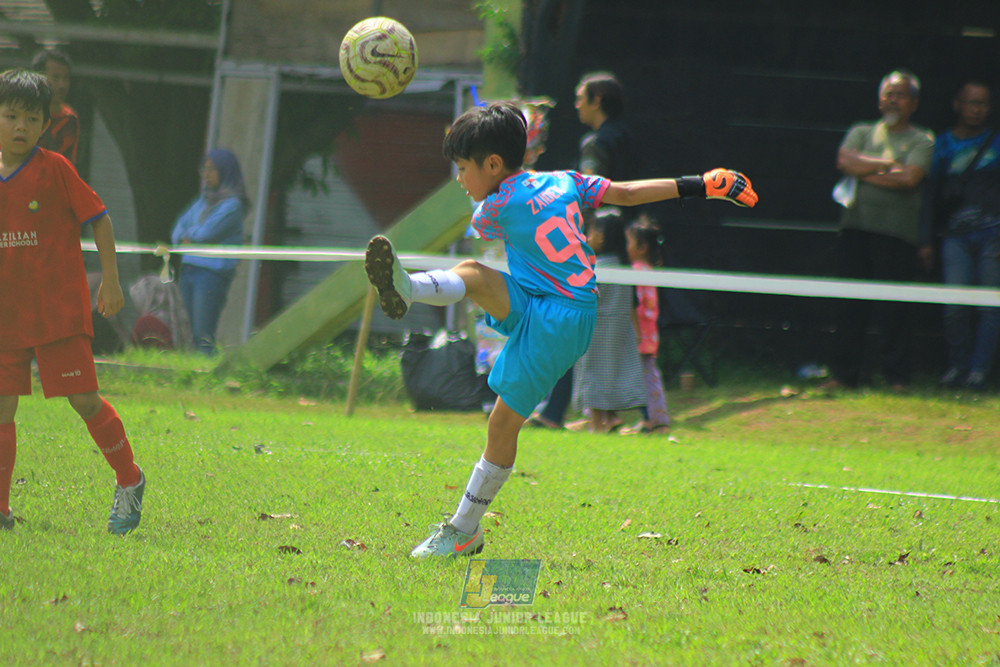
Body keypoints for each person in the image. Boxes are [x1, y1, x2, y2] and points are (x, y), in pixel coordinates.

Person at [364, 101, 757, 558]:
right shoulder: (564, 180)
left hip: (558, 317)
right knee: (472, 272)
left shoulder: (490, 210)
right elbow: (627, 194)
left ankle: (464, 530)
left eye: (463, 168)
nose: (460, 180)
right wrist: (702, 185)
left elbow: (498, 219)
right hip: (550, 303)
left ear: (492, 164)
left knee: (502, 422)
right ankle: (406, 287)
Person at [0, 69, 145, 534]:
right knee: (2, 408)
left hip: (56, 311)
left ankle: (131, 479)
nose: (20, 127)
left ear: (45, 126)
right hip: (6, 315)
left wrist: (112, 282)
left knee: (83, 400)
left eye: (31, 119)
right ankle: (0, 511)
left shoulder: (56, 169)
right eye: (10, 116)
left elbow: (99, 218)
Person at [530, 71, 638, 430]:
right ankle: (593, 413)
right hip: (627, 246)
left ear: (597, 102)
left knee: (572, 326)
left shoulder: (595, 143)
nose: (576, 105)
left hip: (597, 250)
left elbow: (593, 196)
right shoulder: (628, 138)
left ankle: (560, 413)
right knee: (612, 333)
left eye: (581, 98)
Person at [826, 70, 935, 390]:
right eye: (888, 93)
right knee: (849, 306)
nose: (892, 99)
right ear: (878, 99)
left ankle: (897, 378)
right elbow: (845, 162)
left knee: (895, 310)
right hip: (855, 231)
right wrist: (887, 165)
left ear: (913, 103)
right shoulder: (860, 131)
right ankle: (844, 376)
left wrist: (866, 170)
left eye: (900, 94)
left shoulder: (922, 139)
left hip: (898, 237)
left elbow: (910, 179)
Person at [920, 80, 1000, 390]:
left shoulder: (996, 143)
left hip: (993, 234)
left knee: (989, 305)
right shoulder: (942, 145)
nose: (976, 109)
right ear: (957, 104)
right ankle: (958, 367)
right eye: (971, 102)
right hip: (954, 236)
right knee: (955, 306)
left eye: (983, 104)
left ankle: (979, 371)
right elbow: (929, 195)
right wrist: (925, 240)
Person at [570, 209, 646, 433]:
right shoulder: (623, 267)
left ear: (601, 236)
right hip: (619, 329)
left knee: (592, 373)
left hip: (596, 328)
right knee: (612, 373)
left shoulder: (596, 268)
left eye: (590, 232)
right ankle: (610, 420)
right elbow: (632, 304)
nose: (586, 237)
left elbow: (586, 298)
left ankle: (596, 423)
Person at [170, 148, 249, 355]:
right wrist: (184, 237)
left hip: (210, 274)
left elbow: (207, 233)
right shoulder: (203, 199)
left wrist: (189, 236)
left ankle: (205, 378)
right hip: (189, 269)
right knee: (185, 330)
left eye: (212, 169)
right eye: (203, 169)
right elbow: (178, 227)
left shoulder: (233, 205)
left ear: (225, 171)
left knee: (202, 333)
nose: (206, 174)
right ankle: (188, 375)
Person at [622, 216, 671, 434]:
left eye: (628, 242)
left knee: (646, 378)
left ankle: (657, 420)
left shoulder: (635, 271)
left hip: (639, 334)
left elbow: (637, 306)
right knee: (647, 376)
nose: (625, 247)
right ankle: (651, 419)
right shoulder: (648, 270)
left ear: (641, 247)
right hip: (649, 334)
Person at [30, 49, 79, 165]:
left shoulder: (69, 119)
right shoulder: (17, 111)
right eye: (56, 78)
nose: (62, 85)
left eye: (66, 78)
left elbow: (67, 163)